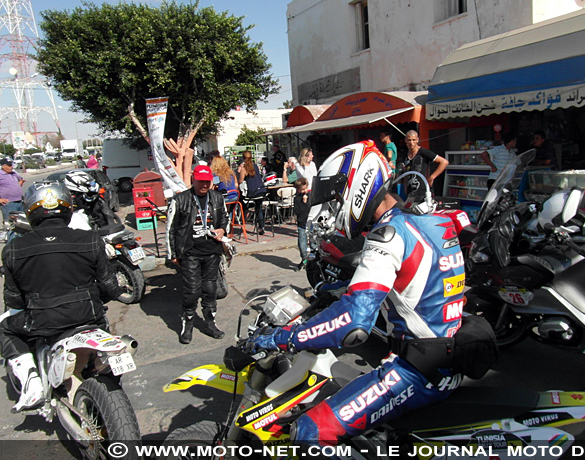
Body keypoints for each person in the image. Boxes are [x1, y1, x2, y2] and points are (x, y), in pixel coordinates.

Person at [243, 141, 467, 446]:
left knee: (309, 430)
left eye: (336, 197)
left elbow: (353, 322)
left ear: (358, 186)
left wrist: (284, 338)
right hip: (447, 358)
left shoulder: (387, 236)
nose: (334, 206)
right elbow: (412, 281)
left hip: (416, 372)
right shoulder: (432, 219)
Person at [0, 180, 120, 412]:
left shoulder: (14, 249)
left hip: (41, 323)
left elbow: (13, 300)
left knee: (5, 328)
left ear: (30, 210)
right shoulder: (90, 239)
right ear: (67, 207)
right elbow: (110, 288)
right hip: (89, 317)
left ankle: (31, 380)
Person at [166, 165, 230, 344]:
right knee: (192, 291)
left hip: (212, 252)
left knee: (210, 290)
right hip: (190, 253)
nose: (204, 184)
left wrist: (223, 229)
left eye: (207, 181)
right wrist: (172, 253)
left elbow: (225, 218)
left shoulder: (217, 198)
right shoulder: (180, 199)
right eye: (201, 181)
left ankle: (210, 323)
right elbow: (170, 229)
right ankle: (187, 324)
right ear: (193, 179)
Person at [400, 130, 449, 197]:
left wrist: (432, 177)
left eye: (414, 140)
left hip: (423, 191)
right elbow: (405, 172)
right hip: (410, 192)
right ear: (405, 141)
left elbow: (444, 162)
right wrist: (405, 187)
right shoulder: (405, 155)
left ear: (417, 140)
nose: (411, 143)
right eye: (409, 140)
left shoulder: (423, 152)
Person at [238, 150, 267, 235]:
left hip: (253, 191)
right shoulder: (255, 166)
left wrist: (239, 172)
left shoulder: (244, 168)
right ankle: (261, 227)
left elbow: (240, 180)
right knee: (259, 208)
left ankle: (245, 213)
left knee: (241, 199)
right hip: (261, 190)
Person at [0, 158, 24, 227]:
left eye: (12, 165)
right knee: (11, 224)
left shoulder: (13, 173)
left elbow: (19, 180)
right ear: (3, 166)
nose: (11, 167)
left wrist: (19, 183)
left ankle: (20, 237)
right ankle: (12, 237)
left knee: (21, 223)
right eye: (9, 165)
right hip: (9, 203)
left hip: (19, 201)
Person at [293, 177, 310, 271]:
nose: (304, 191)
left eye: (305, 188)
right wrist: (303, 202)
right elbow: (297, 211)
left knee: (313, 245)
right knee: (302, 244)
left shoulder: (310, 195)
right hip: (302, 223)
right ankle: (304, 259)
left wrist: (307, 202)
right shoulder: (297, 198)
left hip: (310, 223)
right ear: (298, 190)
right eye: (302, 189)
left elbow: (311, 208)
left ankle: (313, 261)